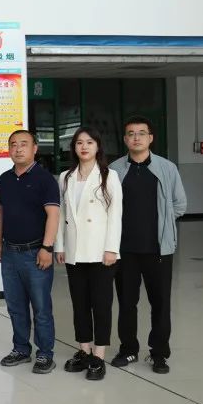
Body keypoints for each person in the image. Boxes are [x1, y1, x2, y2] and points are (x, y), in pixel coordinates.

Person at [109, 116, 187, 374]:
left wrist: (163, 224)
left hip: (158, 250)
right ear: (125, 139)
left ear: (151, 138)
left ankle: (159, 353)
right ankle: (128, 349)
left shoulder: (167, 168)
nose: (136, 138)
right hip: (125, 250)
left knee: (161, 304)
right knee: (126, 304)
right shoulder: (115, 170)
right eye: (131, 133)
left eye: (141, 133)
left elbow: (180, 204)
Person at [54, 127, 123, 381]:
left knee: (101, 305)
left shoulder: (109, 176)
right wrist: (60, 246)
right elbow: (61, 214)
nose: (84, 147)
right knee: (79, 304)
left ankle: (99, 356)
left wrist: (111, 248)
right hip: (74, 251)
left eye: (89, 142)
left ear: (97, 146)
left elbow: (115, 214)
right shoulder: (65, 177)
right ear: (73, 147)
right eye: (79, 143)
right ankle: (84, 350)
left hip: (100, 251)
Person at [0, 130, 61, 374]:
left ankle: (45, 354)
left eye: (24, 144)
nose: (18, 149)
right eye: (13, 145)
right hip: (9, 252)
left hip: (36, 252)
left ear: (35, 149)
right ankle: (21, 349)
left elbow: (53, 214)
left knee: (41, 308)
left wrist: (47, 247)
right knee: (15, 306)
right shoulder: (5, 179)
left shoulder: (45, 179)